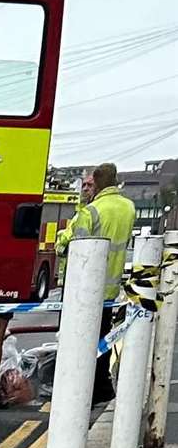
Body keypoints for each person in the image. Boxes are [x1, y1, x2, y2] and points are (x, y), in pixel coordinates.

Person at [56, 162, 136, 403]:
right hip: (110, 288)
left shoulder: (92, 211)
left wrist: (62, 240)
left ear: (98, 183)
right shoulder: (129, 208)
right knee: (102, 341)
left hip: (84, 289)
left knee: (78, 342)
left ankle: (80, 392)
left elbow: (77, 246)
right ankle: (102, 387)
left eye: (90, 184)